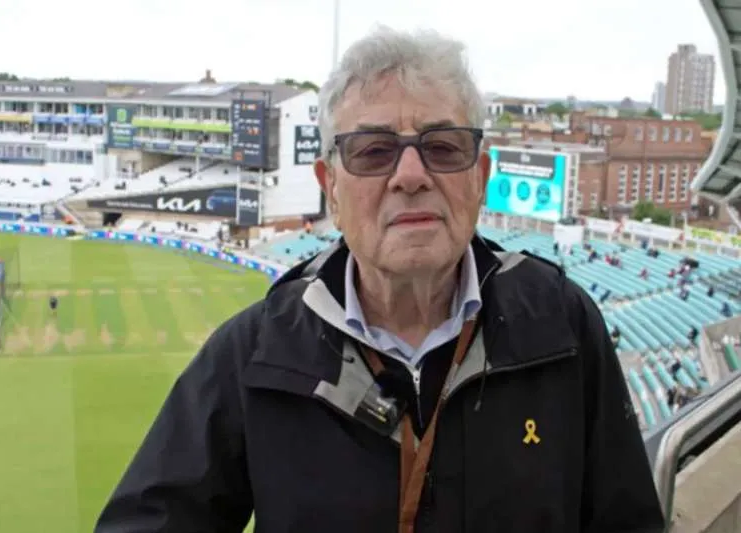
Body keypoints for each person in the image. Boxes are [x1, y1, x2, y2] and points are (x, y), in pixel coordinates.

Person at [94, 27, 664, 533]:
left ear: (481, 176)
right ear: (331, 186)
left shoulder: (562, 322)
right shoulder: (255, 352)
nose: (411, 175)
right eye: (373, 152)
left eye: (442, 147)